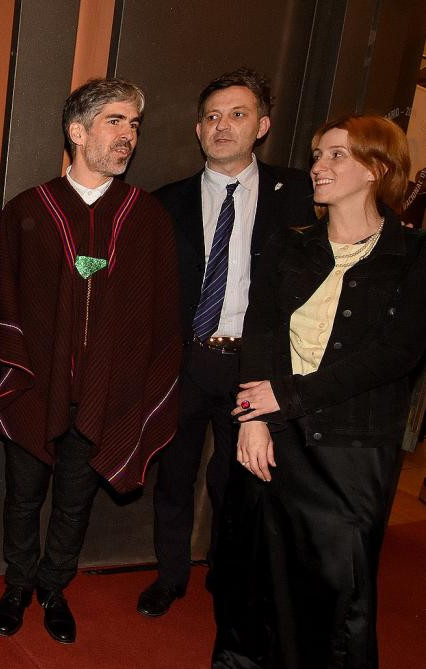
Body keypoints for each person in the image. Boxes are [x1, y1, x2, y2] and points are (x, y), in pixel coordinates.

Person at [214, 115, 426, 668]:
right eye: (317, 155)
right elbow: (259, 329)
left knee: (337, 591)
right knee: (252, 574)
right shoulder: (291, 244)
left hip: (351, 449)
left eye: (336, 155)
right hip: (270, 435)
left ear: (377, 168)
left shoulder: (415, 255)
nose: (318, 167)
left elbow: (397, 355)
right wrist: (252, 420)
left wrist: (288, 397)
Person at [0, 78, 180, 645]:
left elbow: (160, 311)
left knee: (74, 501)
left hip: (105, 395)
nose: (128, 136)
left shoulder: (147, 218)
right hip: (35, 388)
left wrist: (137, 387)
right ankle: (17, 585)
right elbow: (6, 300)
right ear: (77, 131)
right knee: (23, 496)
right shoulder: (28, 210)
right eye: (115, 121)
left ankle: (53, 587)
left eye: (134, 126)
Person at [139, 68, 314, 617]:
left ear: (261, 125)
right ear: (197, 130)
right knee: (174, 475)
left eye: (237, 114)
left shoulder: (301, 196)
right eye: (212, 116)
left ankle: (226, 572)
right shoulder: (165, 202)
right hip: (186, 360)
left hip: (254, 363)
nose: (222, 126)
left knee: (237, 482)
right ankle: (169, 576)